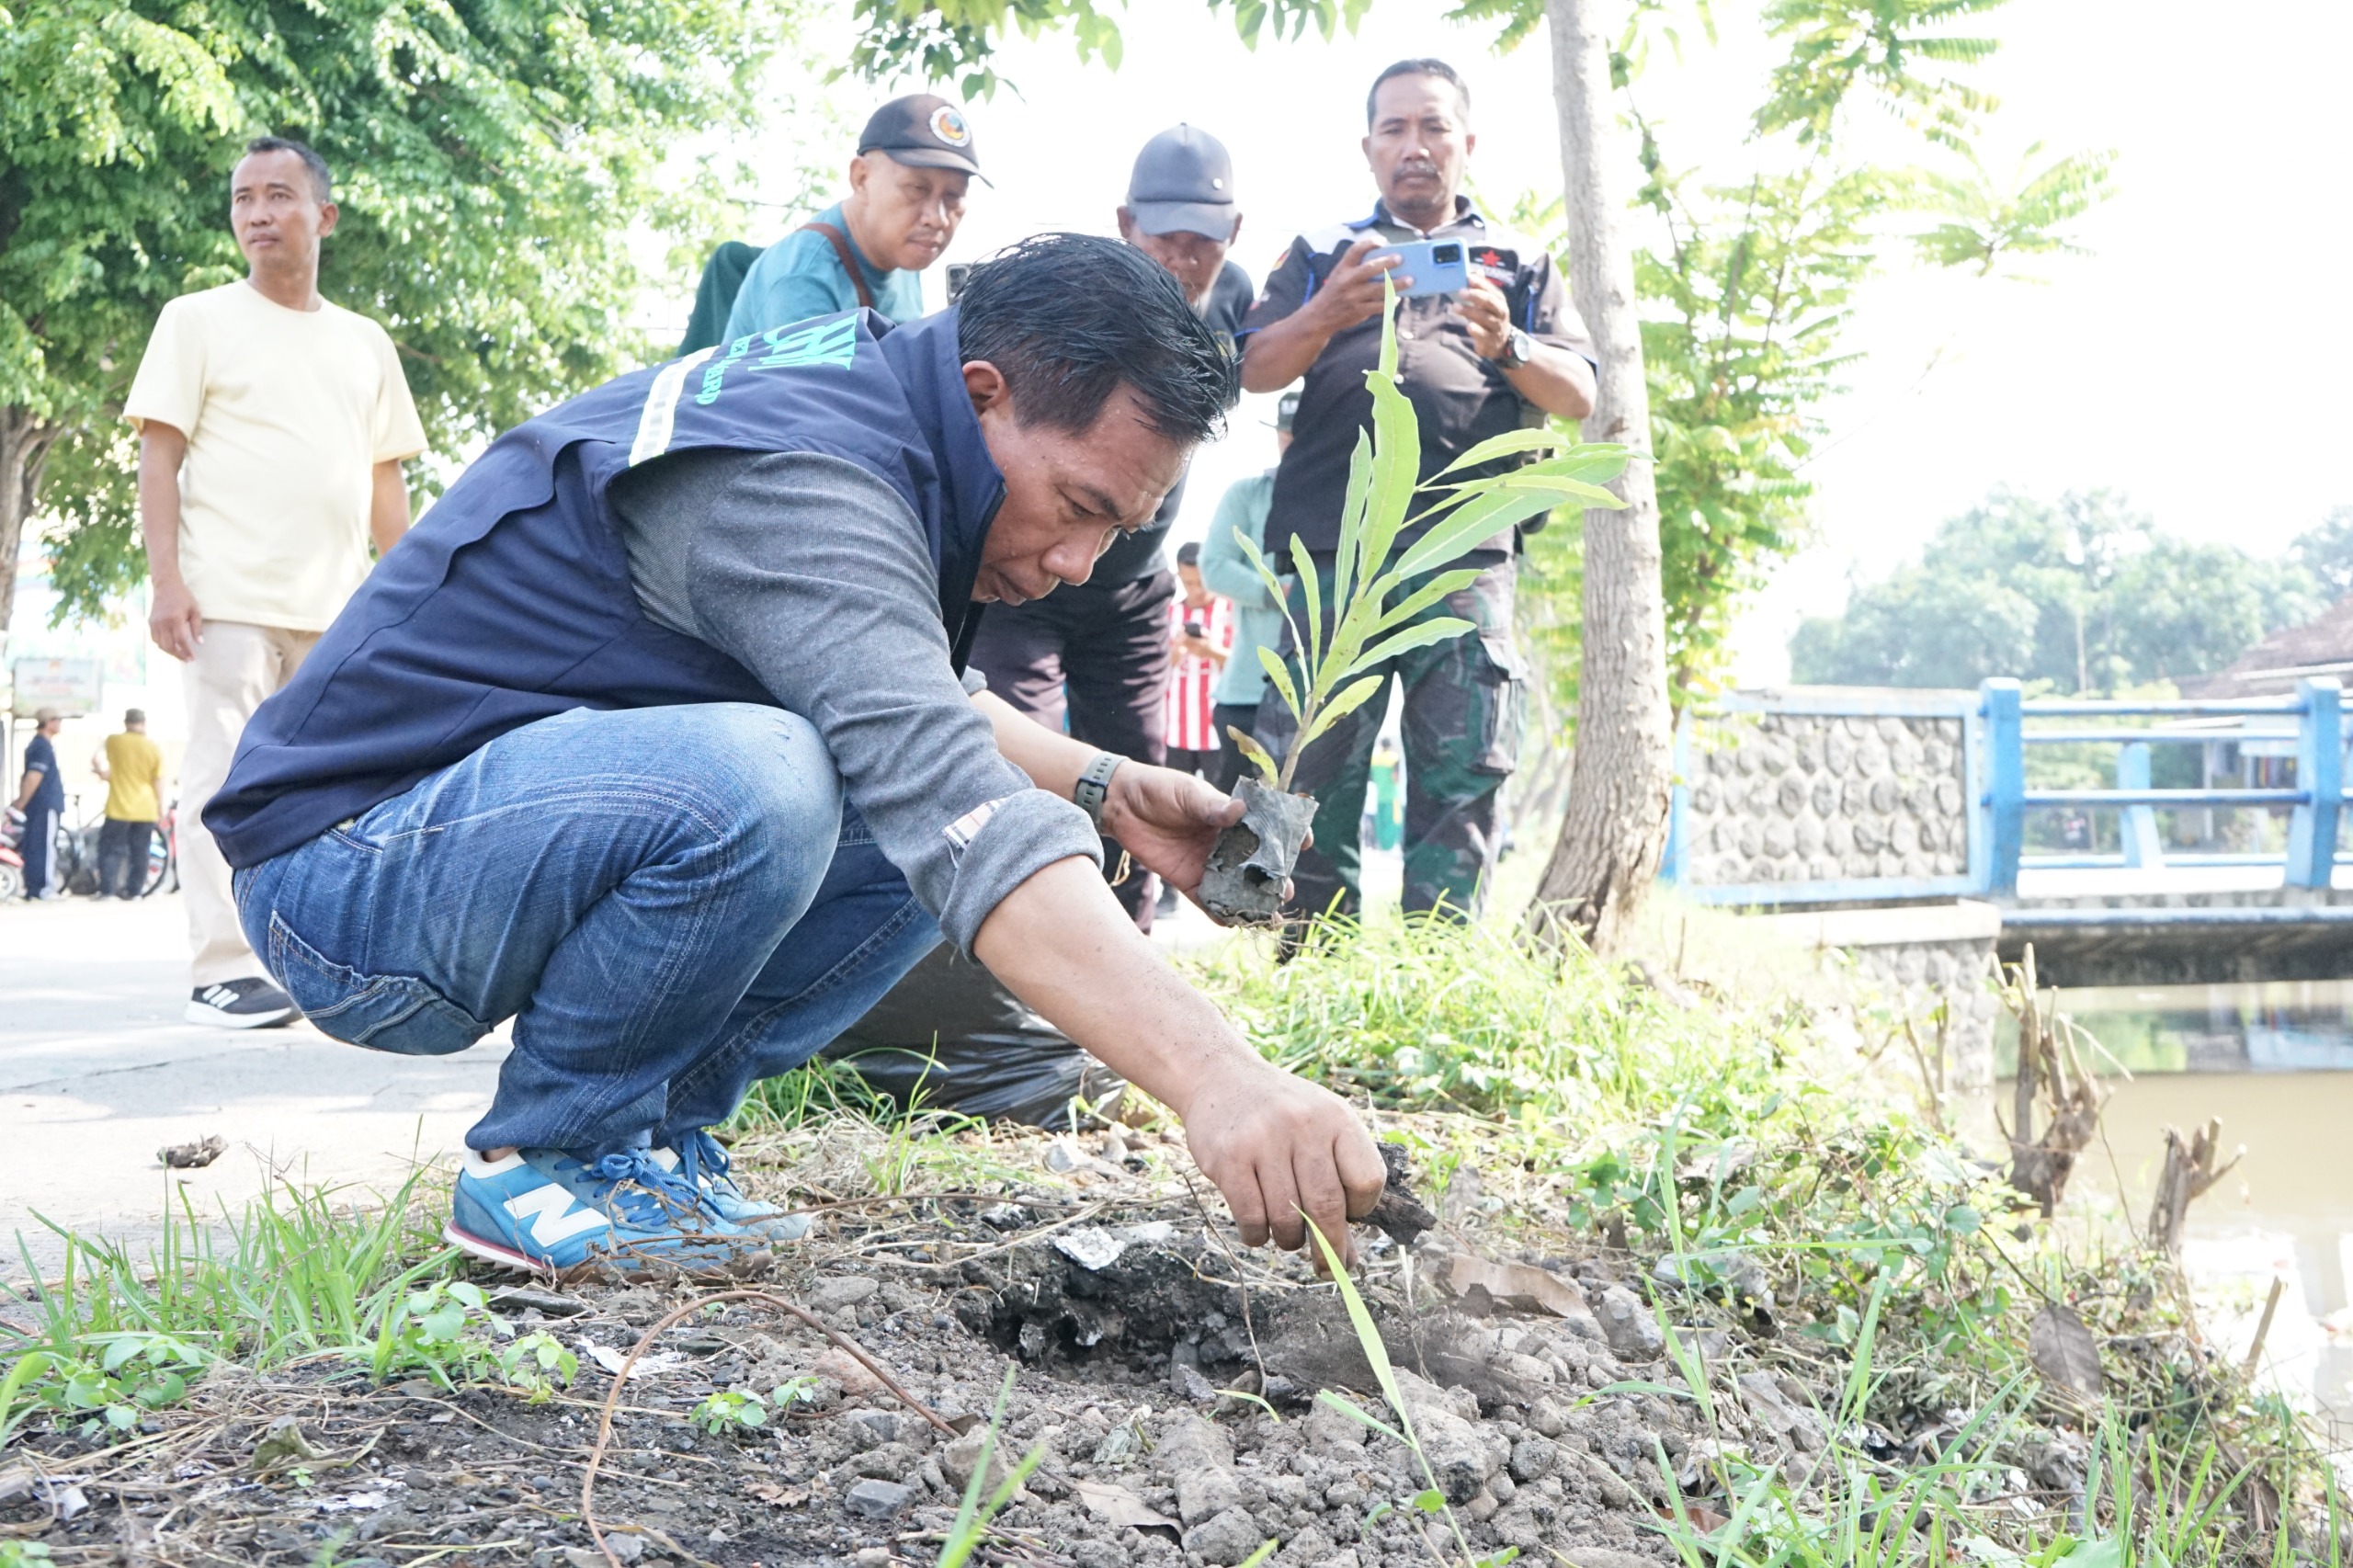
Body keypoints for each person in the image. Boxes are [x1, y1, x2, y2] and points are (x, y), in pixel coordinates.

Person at [208, 233, 1385, 1276]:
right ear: (985, 392)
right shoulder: (802, 473)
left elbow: (909, 704)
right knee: (773, 775)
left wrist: (1103, 787)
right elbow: (937, 780)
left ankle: (644, 1139)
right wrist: (1220, 1076)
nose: (1079, 562)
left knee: (878, 799)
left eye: (1115, 532)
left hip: (474, 836)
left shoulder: (884, 413)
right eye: (1077, 505)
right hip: (347, 871)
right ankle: (553, 1156)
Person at [1239, 59, 1597, 920]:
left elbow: (1582, 394)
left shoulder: (1520, 260)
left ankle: (1438, 964)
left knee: (1464, 766)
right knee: (1302, 761)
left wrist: (1509, 343)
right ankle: (1287, 964)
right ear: (1368, 148)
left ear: (1467, 144)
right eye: (1395, 129)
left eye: (1434, 127)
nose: (1415, 147)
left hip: (1464, 553)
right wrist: (1328, 309)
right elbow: (1249, 368)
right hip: (1335, 550)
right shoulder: (1325, 250)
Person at [124, 135, 426, 1028]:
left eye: (278, 196)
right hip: (226, 602)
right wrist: (166, 581)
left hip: (336, 612)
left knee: (333, 797)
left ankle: (312, 963)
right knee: (222, 777)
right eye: (244, 198)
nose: (258, 213)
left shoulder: (365, 343)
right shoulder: (196, 319)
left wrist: (408, 594)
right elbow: (158, 454)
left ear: (323, 215)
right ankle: (221, 968)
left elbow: (383, 480)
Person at [967, 126, 1255, 927]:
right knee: (1003, 751)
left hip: (1132, 587)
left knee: (1137, 764)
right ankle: (1007, 943)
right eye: (1167, 238)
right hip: (1024, 573)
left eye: (1205, 242)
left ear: (1235, 235)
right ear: (1126, 223)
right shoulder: (1073, 304)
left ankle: (1126, 930)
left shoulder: (1232, 303)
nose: (1183, 260)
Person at [720, 95, 981, 345]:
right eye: (916, 189)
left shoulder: (903, 251)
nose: (937, 219)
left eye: (953, 196)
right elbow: (814, 390)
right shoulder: (802, 280)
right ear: (861, 178)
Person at [1196, 390, 1298, 794]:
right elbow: (1214, 566)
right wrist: (1275, 594)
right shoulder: (1247, 494)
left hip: (1314, 698)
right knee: (1234, 816)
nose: (1291, 441)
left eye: (1302, 433)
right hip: (1247, 692)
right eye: (1286, 433)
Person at [1163, 542, 1233, 782]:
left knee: (1220, 803)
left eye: (1201, 582)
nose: (1197, 590)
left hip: (1217, 731)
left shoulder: (1231, 612)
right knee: (1174, 803)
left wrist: (1212, 651)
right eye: (1189, 583)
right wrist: (1177, 651)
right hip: (1174, 730)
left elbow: (1246, 668)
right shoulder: (1168, 615)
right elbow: (1152, 673)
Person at [91, 709, 165, 899]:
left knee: (110, 849)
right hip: (146, 807)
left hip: (119, 807)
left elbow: (97, 759)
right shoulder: (152, 747)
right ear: (144, 723)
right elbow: (158, 779)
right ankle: (135, 892)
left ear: (126, 723)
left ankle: (108, 891)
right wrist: (161, 806)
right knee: (140, 852)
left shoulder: (114, 741)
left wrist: (101, 772)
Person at [8, 708, 66, 901]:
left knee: (35, 845)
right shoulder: (41, 746)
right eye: (57, 719)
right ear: (48, 722)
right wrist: (21, 802)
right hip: (44, 804)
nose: (60, 723)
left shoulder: (38, 745)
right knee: (45, 846)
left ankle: (34, 887)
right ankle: (44, 888)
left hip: (38, 805)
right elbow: (34, 776)